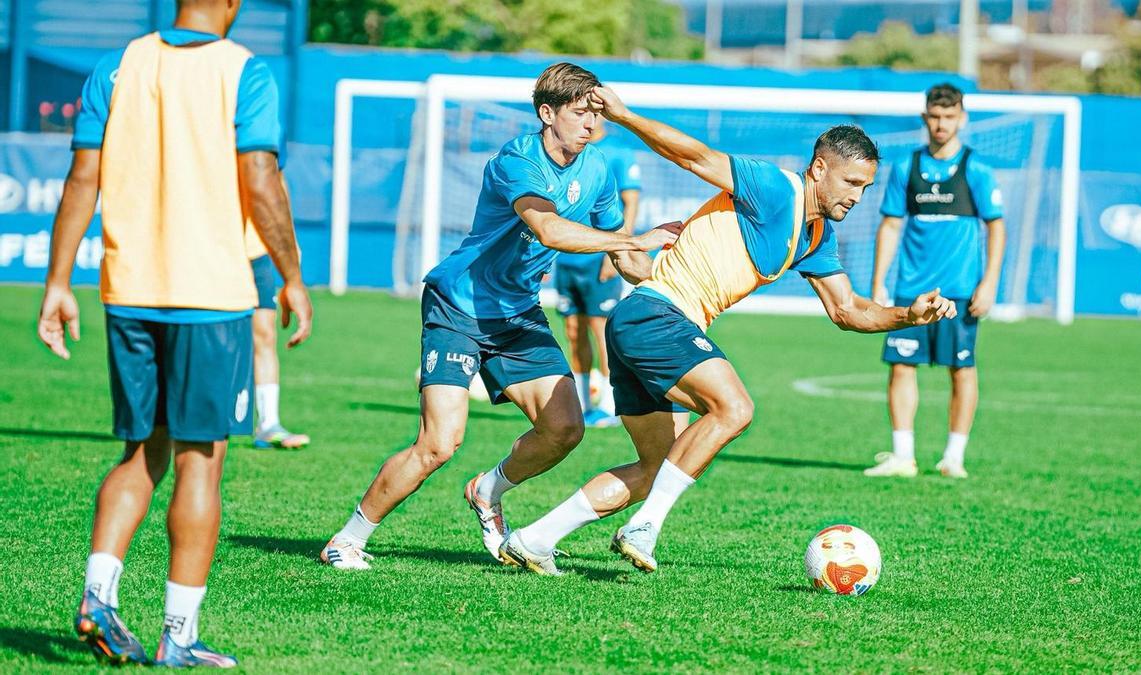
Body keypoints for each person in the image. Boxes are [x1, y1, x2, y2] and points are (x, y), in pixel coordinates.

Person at [498, 86, 957, 576]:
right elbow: (695, 156)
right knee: (734, 408)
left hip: (645, 323)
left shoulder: (817, 234)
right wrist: (626, 116)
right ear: (819, 168)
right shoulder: (775, 187)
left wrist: (909, 316)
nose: (857, 196)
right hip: (657, 314)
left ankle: (534, 538)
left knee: (655, 467)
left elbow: (848, 310)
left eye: (865, 187)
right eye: (851, 182)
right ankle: (644, 526)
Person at [319, 63, 678, 571]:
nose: (591, 124)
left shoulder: (598, 169)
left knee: (565, 429)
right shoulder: (517, 160)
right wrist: (634, 239)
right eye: (580, 113)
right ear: (547, 113)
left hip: (518, 312)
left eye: (597, 114)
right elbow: (549, 229)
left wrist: (670, 280)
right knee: (439, 444)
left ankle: (488, 490)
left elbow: (625, 255)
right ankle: (347, 539)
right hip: (459, 306)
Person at [36, 0, 311, 666]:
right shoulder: (244, 71)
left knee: (140, 453)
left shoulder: (118, 64)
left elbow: (81, 178)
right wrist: (292, 276)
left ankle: (98, 596)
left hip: (129, 290)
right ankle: (178, 636)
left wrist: (57, 283)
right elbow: (260, 177)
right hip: (210, 295)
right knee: (200, 461)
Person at [864, 83, 1006, 479]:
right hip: (911, 290)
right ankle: (902, 457)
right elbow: (891, 226)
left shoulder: (976, 169)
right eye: (935, 116)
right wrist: (878, 285)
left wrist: (989, 283)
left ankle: (953, 458)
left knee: (961, 370)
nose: (941, 124)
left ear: (962, 119)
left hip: (959, 291)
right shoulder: (906, 167)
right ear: (924, 117)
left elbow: (996, 227)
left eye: (949, 117)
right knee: (900, 366)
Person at [553, 116, 642, 427]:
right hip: (567, 257)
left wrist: (617, 250)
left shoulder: (617, 153)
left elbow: (631, 203)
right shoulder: (564, 152)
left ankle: (608, 403)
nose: (589, 118)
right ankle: (579, 402)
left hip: (599, 256)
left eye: (594, 111)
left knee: (601, 328)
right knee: (573, 330)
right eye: (582, 111)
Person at [247, 182, 310, 450]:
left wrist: (290, 242)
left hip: (254, 248)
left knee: (265, 332)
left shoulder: (269, 155)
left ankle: (268, 423)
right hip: (213, 248)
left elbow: (276, 185)